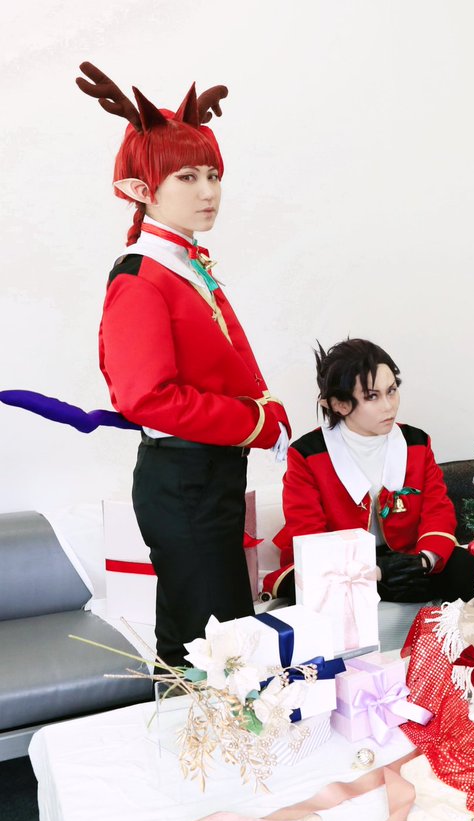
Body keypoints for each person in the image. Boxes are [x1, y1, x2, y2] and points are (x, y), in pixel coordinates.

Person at [79, 63, 291, 667]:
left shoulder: (182, 262)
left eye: (213, 175)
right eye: (188, 176)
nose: (208, 192)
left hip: (206, 477)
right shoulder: (142, 277)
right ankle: (204, 731)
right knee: (220, 651)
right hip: (183, 480)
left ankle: (190, 728)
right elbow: (145, 398)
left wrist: (261, 412)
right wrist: (255, 422)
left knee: (200, 644)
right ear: (141, 188)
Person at [264, 338, 474, 605]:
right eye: (372, 396)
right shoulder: (306, 454)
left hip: (407, 556)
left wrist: (422, 561)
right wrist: (375, 573)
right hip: (341, 565)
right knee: (315, 584)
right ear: (340, 404)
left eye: (392, 390)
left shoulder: (417, 442)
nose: (389, 406)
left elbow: (437, 511)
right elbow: (311, 534)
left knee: (462, 566)